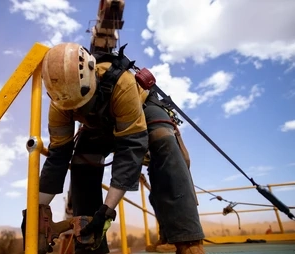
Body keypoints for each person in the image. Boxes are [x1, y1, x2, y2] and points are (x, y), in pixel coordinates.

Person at [21, 42, 206, 254]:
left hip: (142, 108)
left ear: (92, 76)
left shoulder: (122, 83)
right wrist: (34, 212)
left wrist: (106, 211)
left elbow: (130, 148)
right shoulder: (60, 104)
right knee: (81, 164)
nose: (79, 109)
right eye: (74, 108)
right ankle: (91, 245)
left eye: (83, 103)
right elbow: (58, 157)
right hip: (98, 125)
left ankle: (188, 241)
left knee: (162, 139)